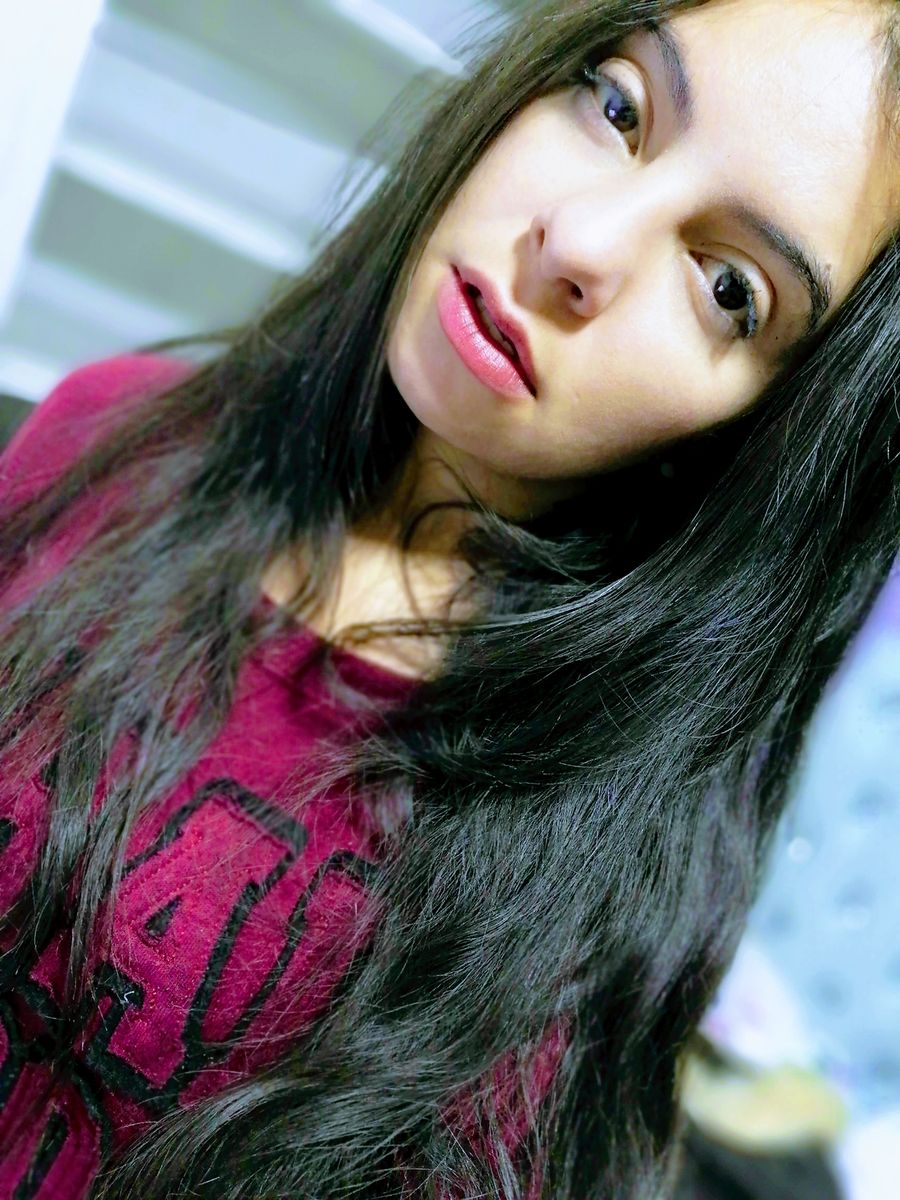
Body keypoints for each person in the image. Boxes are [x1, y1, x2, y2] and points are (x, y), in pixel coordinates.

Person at [0, 0, 897, 1196]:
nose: (580, 240)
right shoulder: (112, 429)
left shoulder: (578, 907)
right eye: (618, 106)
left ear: (772, 434)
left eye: (728, 288)